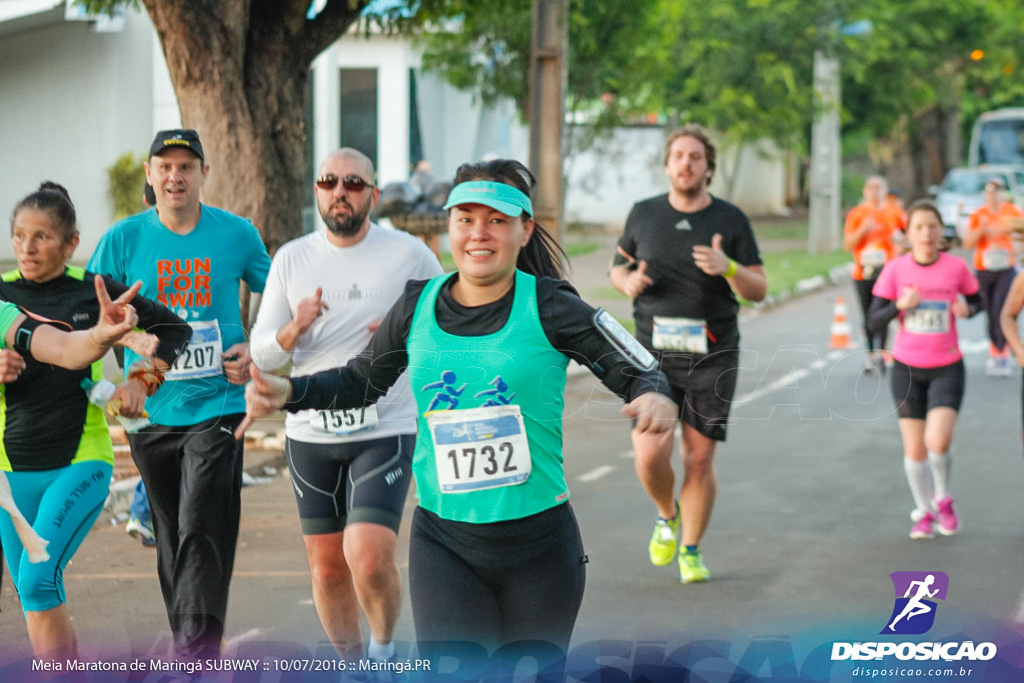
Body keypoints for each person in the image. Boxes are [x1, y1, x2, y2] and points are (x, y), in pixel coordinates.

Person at [237, 158, 677, 663]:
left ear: (525, 229)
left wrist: (655, 392)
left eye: (496, 220)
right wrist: (289, 391)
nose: (478, 234)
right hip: (445, 547)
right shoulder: (416, 307)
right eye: (465, 219)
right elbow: (359, 382)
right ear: (448, 227)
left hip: (539, 550)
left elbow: (640, 366)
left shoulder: (552, 305)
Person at [249, 148, 442, 659]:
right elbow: (262, 351)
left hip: (386, 424)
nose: (341, 191)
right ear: (317, 190)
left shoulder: (411, 254)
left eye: (354, 183)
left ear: (373, 196)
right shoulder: (292, 257)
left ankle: (383, 648)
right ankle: (354, 666)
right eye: (330, 181)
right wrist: (297, 326)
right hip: (311, 432)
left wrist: (405, 333)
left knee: (369, 554)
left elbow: (448, 321)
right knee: (327, 566)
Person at [88, 128, 271, 659]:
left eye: (186, 166)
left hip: (219, 404)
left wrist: (257, 349)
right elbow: (90, 316)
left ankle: (194, 654)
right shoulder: (122, 241)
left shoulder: (236, 234)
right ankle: (195, 648)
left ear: (203, 174)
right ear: (150, 175)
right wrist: (122, 356)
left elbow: (278, 294)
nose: (175, 176)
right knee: (171, 535)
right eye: (164, 166)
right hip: (149, 411)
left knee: (199, 523)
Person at [0, 182, 189, 659]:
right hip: (9, 469)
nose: (27, 247)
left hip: (79, 460)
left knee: (39, 576)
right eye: (19, 235)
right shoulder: (1, 296)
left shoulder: (94, 291)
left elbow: (174, 329)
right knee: (36, 595)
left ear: (70, 244)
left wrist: (140, 383)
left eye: (42, 237)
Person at [608, 124, 766, 584]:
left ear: (709, 168)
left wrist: (729, 267)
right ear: (666, 164)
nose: (686, 163)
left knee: (698, 459)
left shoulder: (731, 220)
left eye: (695, 157)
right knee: (649, 456)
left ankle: (691, 550)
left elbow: (758, 289)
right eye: (679, 155)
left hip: (712, 356)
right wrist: (626, 282)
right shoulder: (644, 214)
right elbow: (618, 269)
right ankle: (666, 513)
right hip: (650, 357)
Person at [868, 200, 980, 540]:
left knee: (937, 440)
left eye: (932, 226)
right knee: (915, 449)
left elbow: (977, 301)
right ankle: (924, 511)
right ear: (908, 234)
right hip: (906, 368)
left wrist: (968, 309)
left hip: (947, 365)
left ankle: (942, 497)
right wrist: (899, 306)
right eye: (919, 227)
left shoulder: (955, 268)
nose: (926, 233)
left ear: (939, 231)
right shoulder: (895, 269)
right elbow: (873, 319)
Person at [844, 175, 908, 372]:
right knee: (868, 313)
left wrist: (900, 242)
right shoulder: (857, 214)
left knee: (885, 312)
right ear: (865, 191)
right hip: (863, 271)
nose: (874, 191)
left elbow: (908, 239)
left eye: (878, 187)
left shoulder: (895, 213)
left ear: (884, 190)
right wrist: (862, 230)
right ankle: (871, 354)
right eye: (870, 187)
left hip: (887, 271)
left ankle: (881, 353)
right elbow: (847, 244)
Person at [125, 181, 159, 548]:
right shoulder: (128, 241)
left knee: (153, 450)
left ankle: (141, 512)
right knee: (155, 450)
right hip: (142, 376)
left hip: (154, 371)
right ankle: (141, 512)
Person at [963, 178, 1023, 377]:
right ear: (985, 194)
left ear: (1002, 193)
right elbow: (967, 243)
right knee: (990, 312)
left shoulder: (1012, 212)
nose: (993, 195)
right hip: (985, 269)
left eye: (997, 191)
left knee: (1001, 309)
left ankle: (1003, 354)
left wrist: (1015, 251)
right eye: (989, 191)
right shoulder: (978, 214)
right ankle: (994, 351)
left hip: (1006, 269)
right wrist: (982, 229)